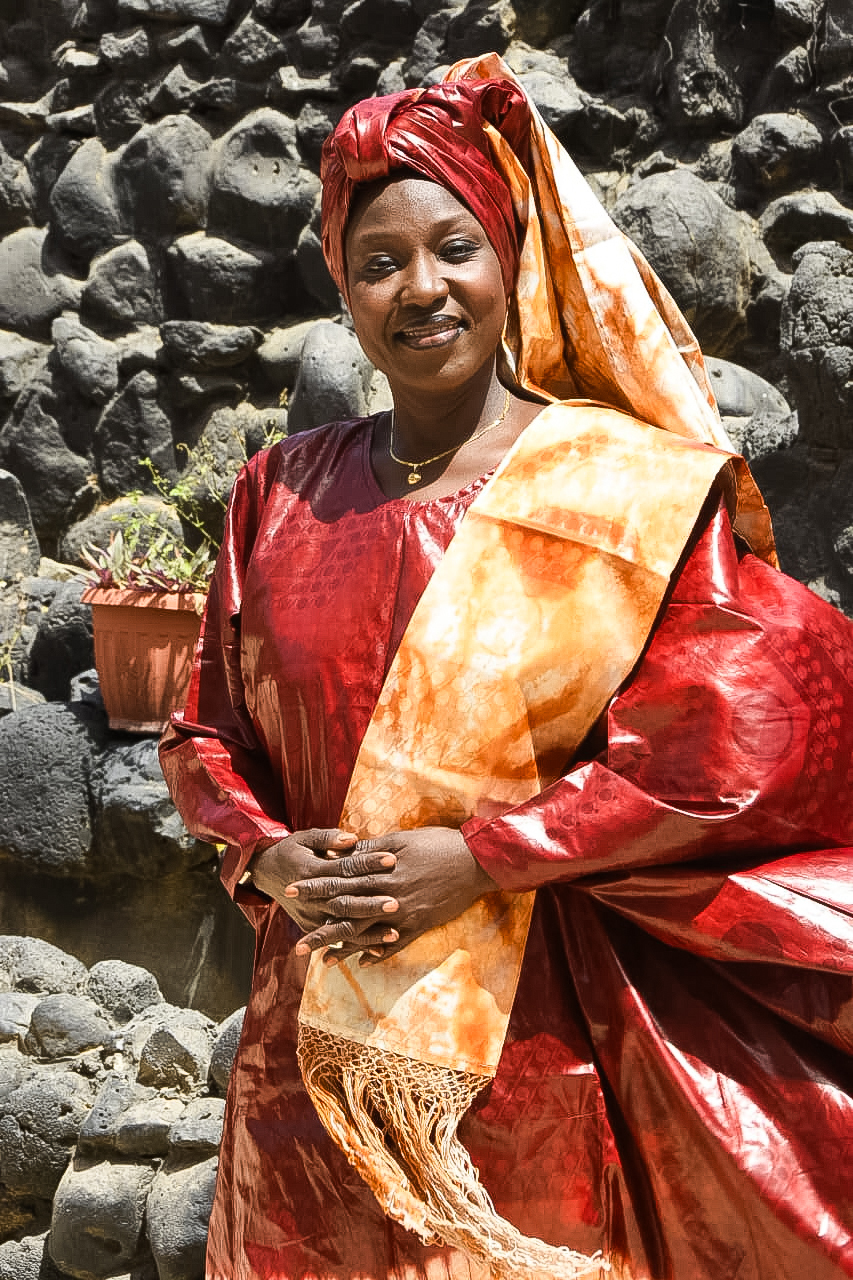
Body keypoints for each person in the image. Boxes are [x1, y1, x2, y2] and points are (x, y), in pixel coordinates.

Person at [159, 52, 853, 1280]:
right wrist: (266, 854)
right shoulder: (279, 493)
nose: (421, 287)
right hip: (307, 1053)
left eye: (454, 248)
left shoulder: (616, 490)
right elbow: (205, 730)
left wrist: (484, 855)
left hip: (534, 1045)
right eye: (380, 262)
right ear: (342, 287)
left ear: (510, 260)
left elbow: (730, 742)